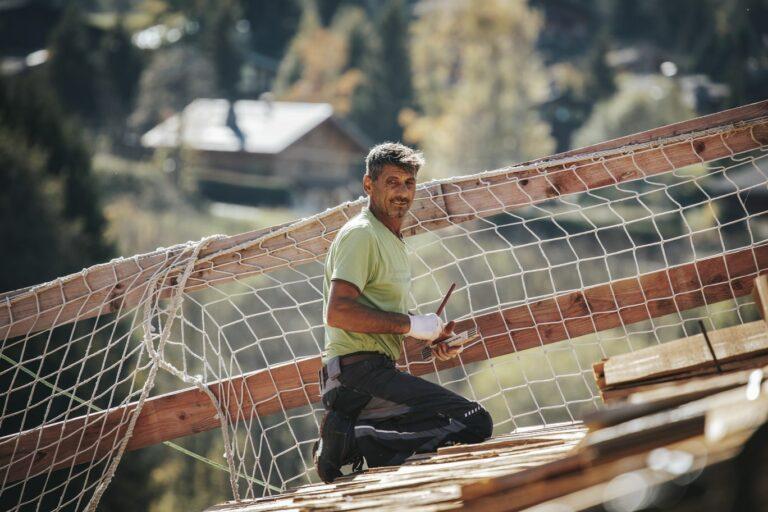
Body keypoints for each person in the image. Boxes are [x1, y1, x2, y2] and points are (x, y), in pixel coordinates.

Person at [313, 142, 493, 483]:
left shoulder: (390, 238)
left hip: (373, 370)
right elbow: (337, 313)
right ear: (369, 185)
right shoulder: (361, 235)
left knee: (460, 422)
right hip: (357, 377)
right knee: (474, 420)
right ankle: (352, 439)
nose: (402, 192)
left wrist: (431, 336)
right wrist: (412, 323)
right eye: (392, 182)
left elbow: (377, 323)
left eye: (408, 183)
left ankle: (363, 435)